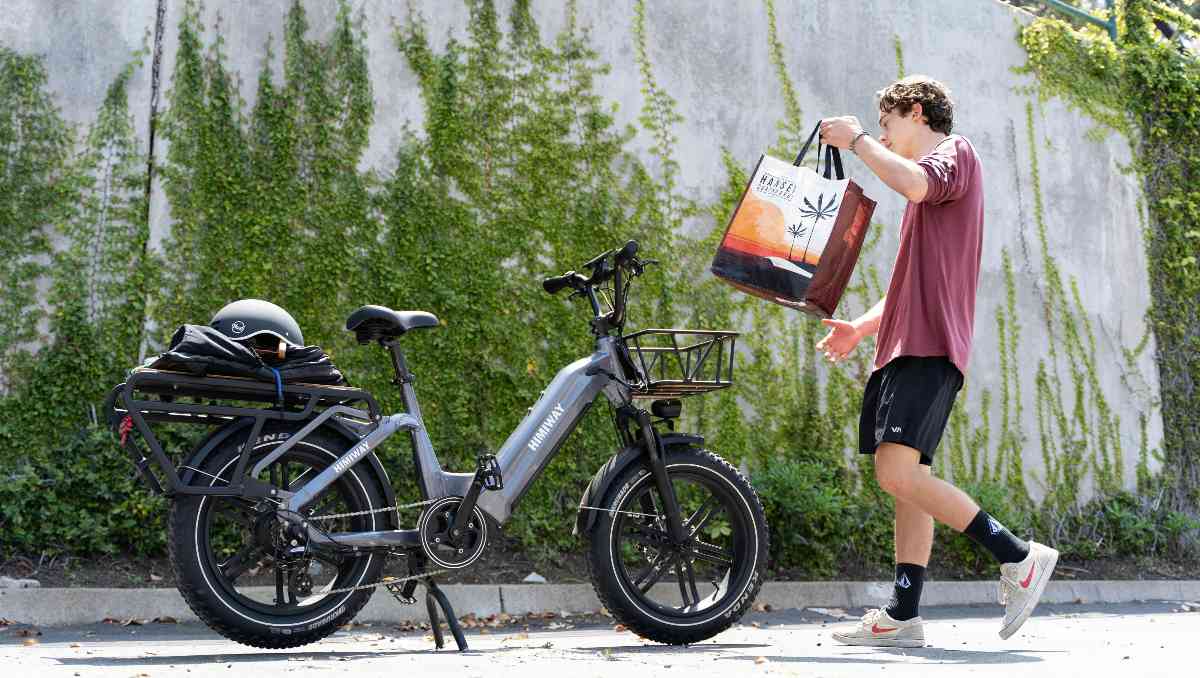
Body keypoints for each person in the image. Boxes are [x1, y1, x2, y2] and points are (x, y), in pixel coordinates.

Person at [815, 75, 1058, 647]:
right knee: (908, 482)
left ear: (916, 113)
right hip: (905, 345)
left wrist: (855, 143)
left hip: (929, 348)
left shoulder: (955, 155)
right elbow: (908, 285)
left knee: (895, 472)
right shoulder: (929, 192)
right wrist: (860, 327)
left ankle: (1017, 555)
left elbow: (915, 185)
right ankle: (903, 615)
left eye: (888, 124)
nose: (883, 135)